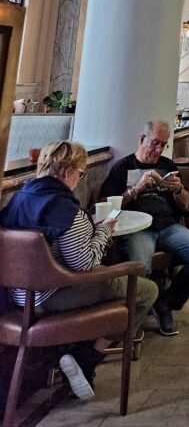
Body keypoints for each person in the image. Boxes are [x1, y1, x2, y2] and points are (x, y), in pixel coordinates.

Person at [0, 140, 158, 402]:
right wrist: (105, 229)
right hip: (51, 296)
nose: (79, 178)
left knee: (116, 281)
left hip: (17, 296)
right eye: (80, 173)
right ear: (68, 170)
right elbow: (85, 264)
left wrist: (88, 229)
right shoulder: (64, 209)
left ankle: (76, 357)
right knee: (144, 290)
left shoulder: (20, 197)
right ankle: (87, 357)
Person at [100, 119, 189, 336]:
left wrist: (179, 190)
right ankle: (136, 317)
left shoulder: (168, 165)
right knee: (141, 266)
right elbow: (107, 204)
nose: (158, 149)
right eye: (154, 143)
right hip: (137, 229)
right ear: (141, 139)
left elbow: (185, 203)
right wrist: (136, 189)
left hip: (168, 226)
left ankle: (166, 304)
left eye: (163, 145)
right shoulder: (123, 167)